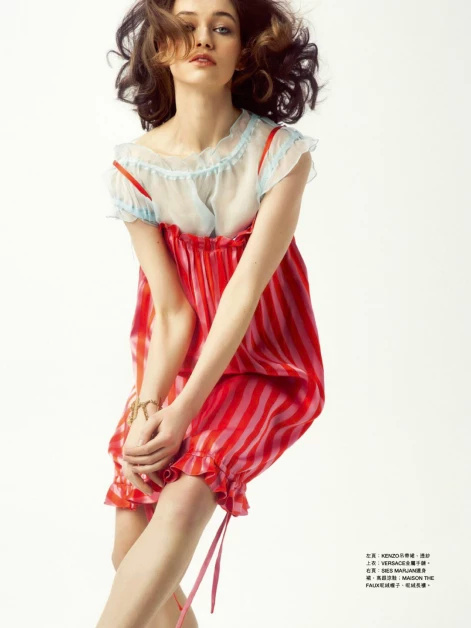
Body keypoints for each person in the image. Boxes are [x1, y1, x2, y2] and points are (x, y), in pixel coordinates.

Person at [96, 0, 326, 626]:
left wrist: (182, 415)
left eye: (221, 27)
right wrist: (148, 410)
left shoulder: (279, 155)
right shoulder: (135, 168)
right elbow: (172, 313)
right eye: (186, 25)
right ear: (160, 47)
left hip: (262, 365)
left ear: (243, 51)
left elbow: (244, 293)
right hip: (174, 366)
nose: (203, 37)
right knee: (130, 551)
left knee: (183, 500)